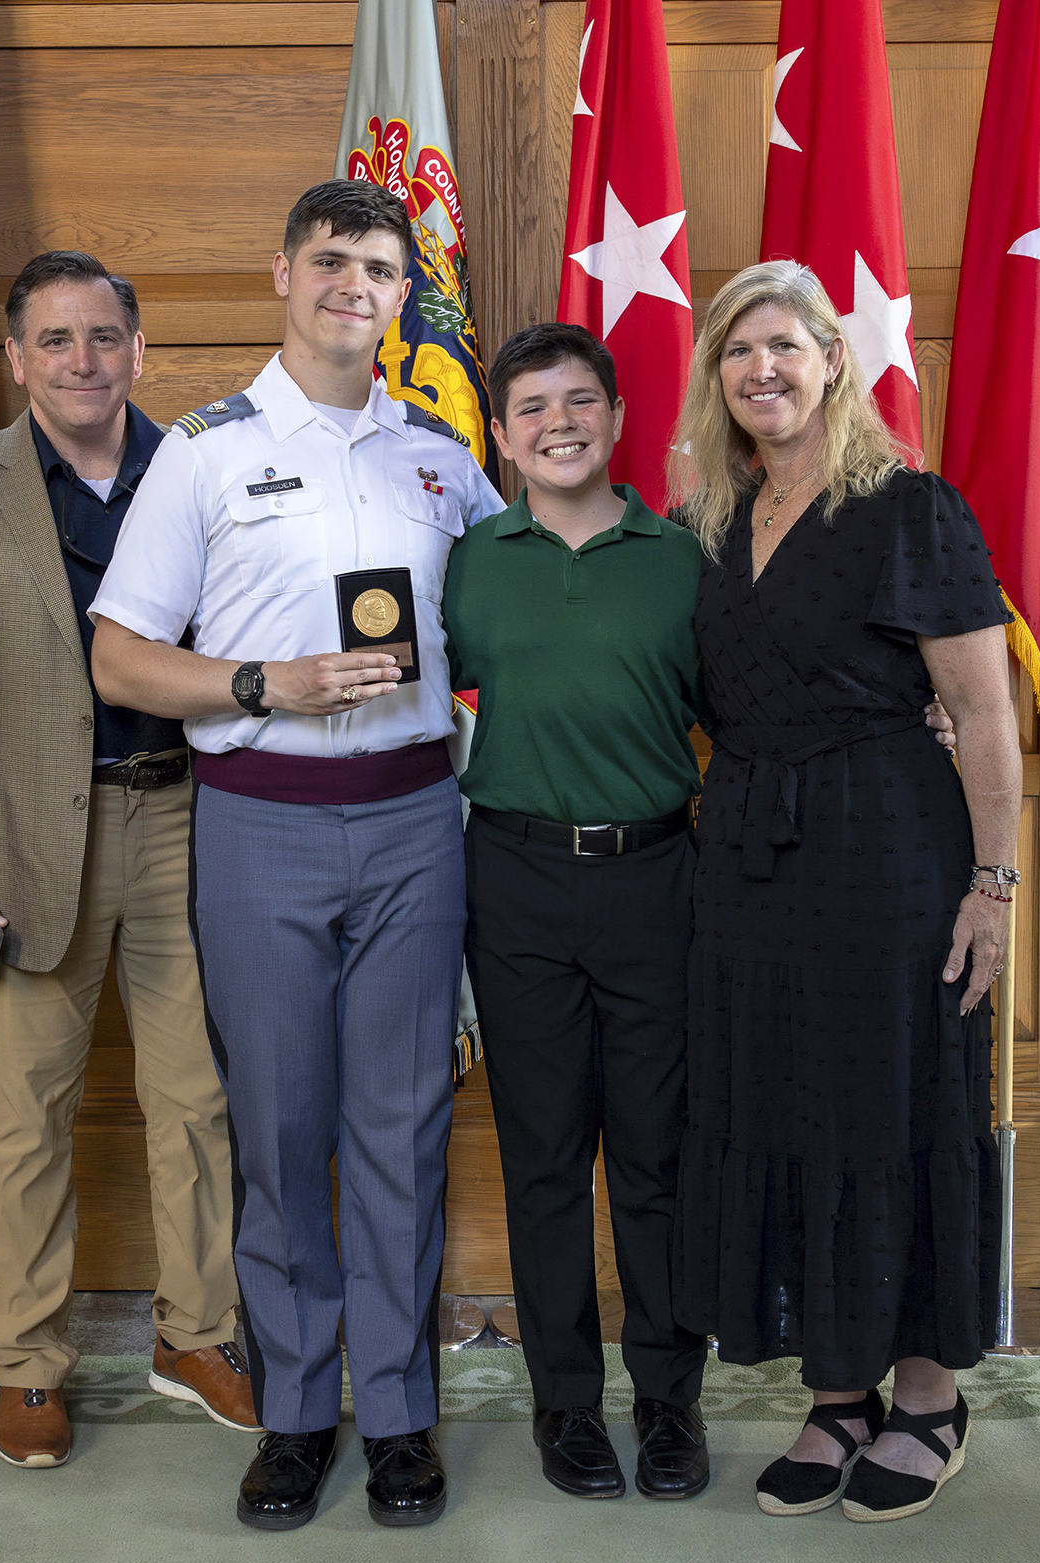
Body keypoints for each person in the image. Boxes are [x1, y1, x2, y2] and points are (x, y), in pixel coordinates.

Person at [90, 178, 504, 1532]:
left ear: (402, 294)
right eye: (331, 260)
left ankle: (392, 1413)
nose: (353, 284)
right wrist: (266, 684)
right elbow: (122, 655)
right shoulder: (202, 452)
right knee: (275, 1130)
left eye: (379, 267)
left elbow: (522, 622)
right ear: (282, 274)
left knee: (400, 1130)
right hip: (258, 823)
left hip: (412, 828)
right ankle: (296, 1413)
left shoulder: (447, 456)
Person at [0, 250, 257, 1472]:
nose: (81, 361)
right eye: (54, 339)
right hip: (19, 845)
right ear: (16, 357)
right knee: (22, 1114)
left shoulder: (210, 472)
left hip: (189, 820)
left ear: (141, 353)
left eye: (103, 338)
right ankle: (28, 1362)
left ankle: (198, 1333)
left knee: (199, 1097)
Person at [671, 258, 1019, 1524]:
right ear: (718, 377)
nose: (762, 368)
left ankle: (927, 1392)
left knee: (897, 1103)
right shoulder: (712, 526)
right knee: (788, 1103)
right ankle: (839, 1394)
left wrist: (994, 883)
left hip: (890, 851)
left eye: (785, 345)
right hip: (752, 861)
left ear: (833, 360)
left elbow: (983, 710)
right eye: (737, 349)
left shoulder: (908, 506)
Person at [442, 323, 710, 1502]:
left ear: (616, 416)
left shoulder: (684, 555)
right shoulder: (465, 558)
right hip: (515, 881)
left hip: (659, 879)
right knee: (544, 1160)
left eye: (581, 401)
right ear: (500, 435)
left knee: (658, 1162)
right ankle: (567, 1408)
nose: (560, 422)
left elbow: (755, 704)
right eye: (534, 407)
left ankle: (669, 1406)